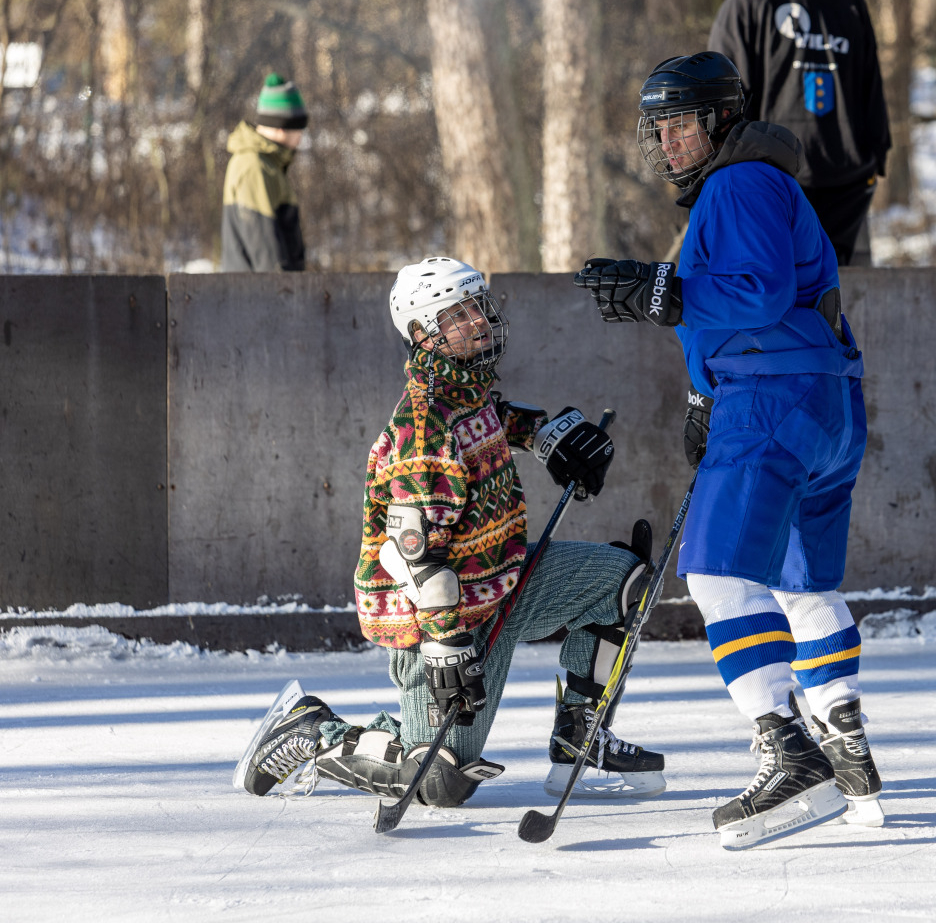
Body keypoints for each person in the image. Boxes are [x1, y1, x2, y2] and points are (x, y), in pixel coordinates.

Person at [573, 52, 882, 850]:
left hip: (773, 398)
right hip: (821, 403)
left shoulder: (738, 183)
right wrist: (703, 398)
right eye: (659, 130)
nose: (668, 143)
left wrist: (662, 291)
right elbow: (758, 305)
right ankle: (843, 738)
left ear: (719, 121)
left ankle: (789, 753)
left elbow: (758, 292)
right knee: (800, 582)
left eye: (680, 125)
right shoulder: (754, 184)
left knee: (715, 573)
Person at [235, 256, 665, 808]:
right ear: (422, 334)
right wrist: (446, 644)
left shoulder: (463, 390)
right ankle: (312, 731)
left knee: (622, 582)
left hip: (501, 582)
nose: (478, 321)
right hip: (442, 619)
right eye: (457, 316)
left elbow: (495, 416)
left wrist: (547, 436)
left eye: (477, 307)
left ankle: (580, 736)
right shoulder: (422, 431)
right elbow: (412, 558)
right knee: (439, 778)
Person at [708, 0, 889, 267]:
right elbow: (724, 99)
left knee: (836, 292)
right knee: (779, 287)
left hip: (845, 191)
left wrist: (875, 156)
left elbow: (871, 88)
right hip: (774, 186)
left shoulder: (849, 2)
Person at [221, 73, 309, 272]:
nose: (301, 137)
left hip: (265, 289)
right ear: (282, 127)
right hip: (259, 290)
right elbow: (266, 252)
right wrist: (285, 288)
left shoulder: (268, 164)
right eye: (299, 129)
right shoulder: (254, 167)